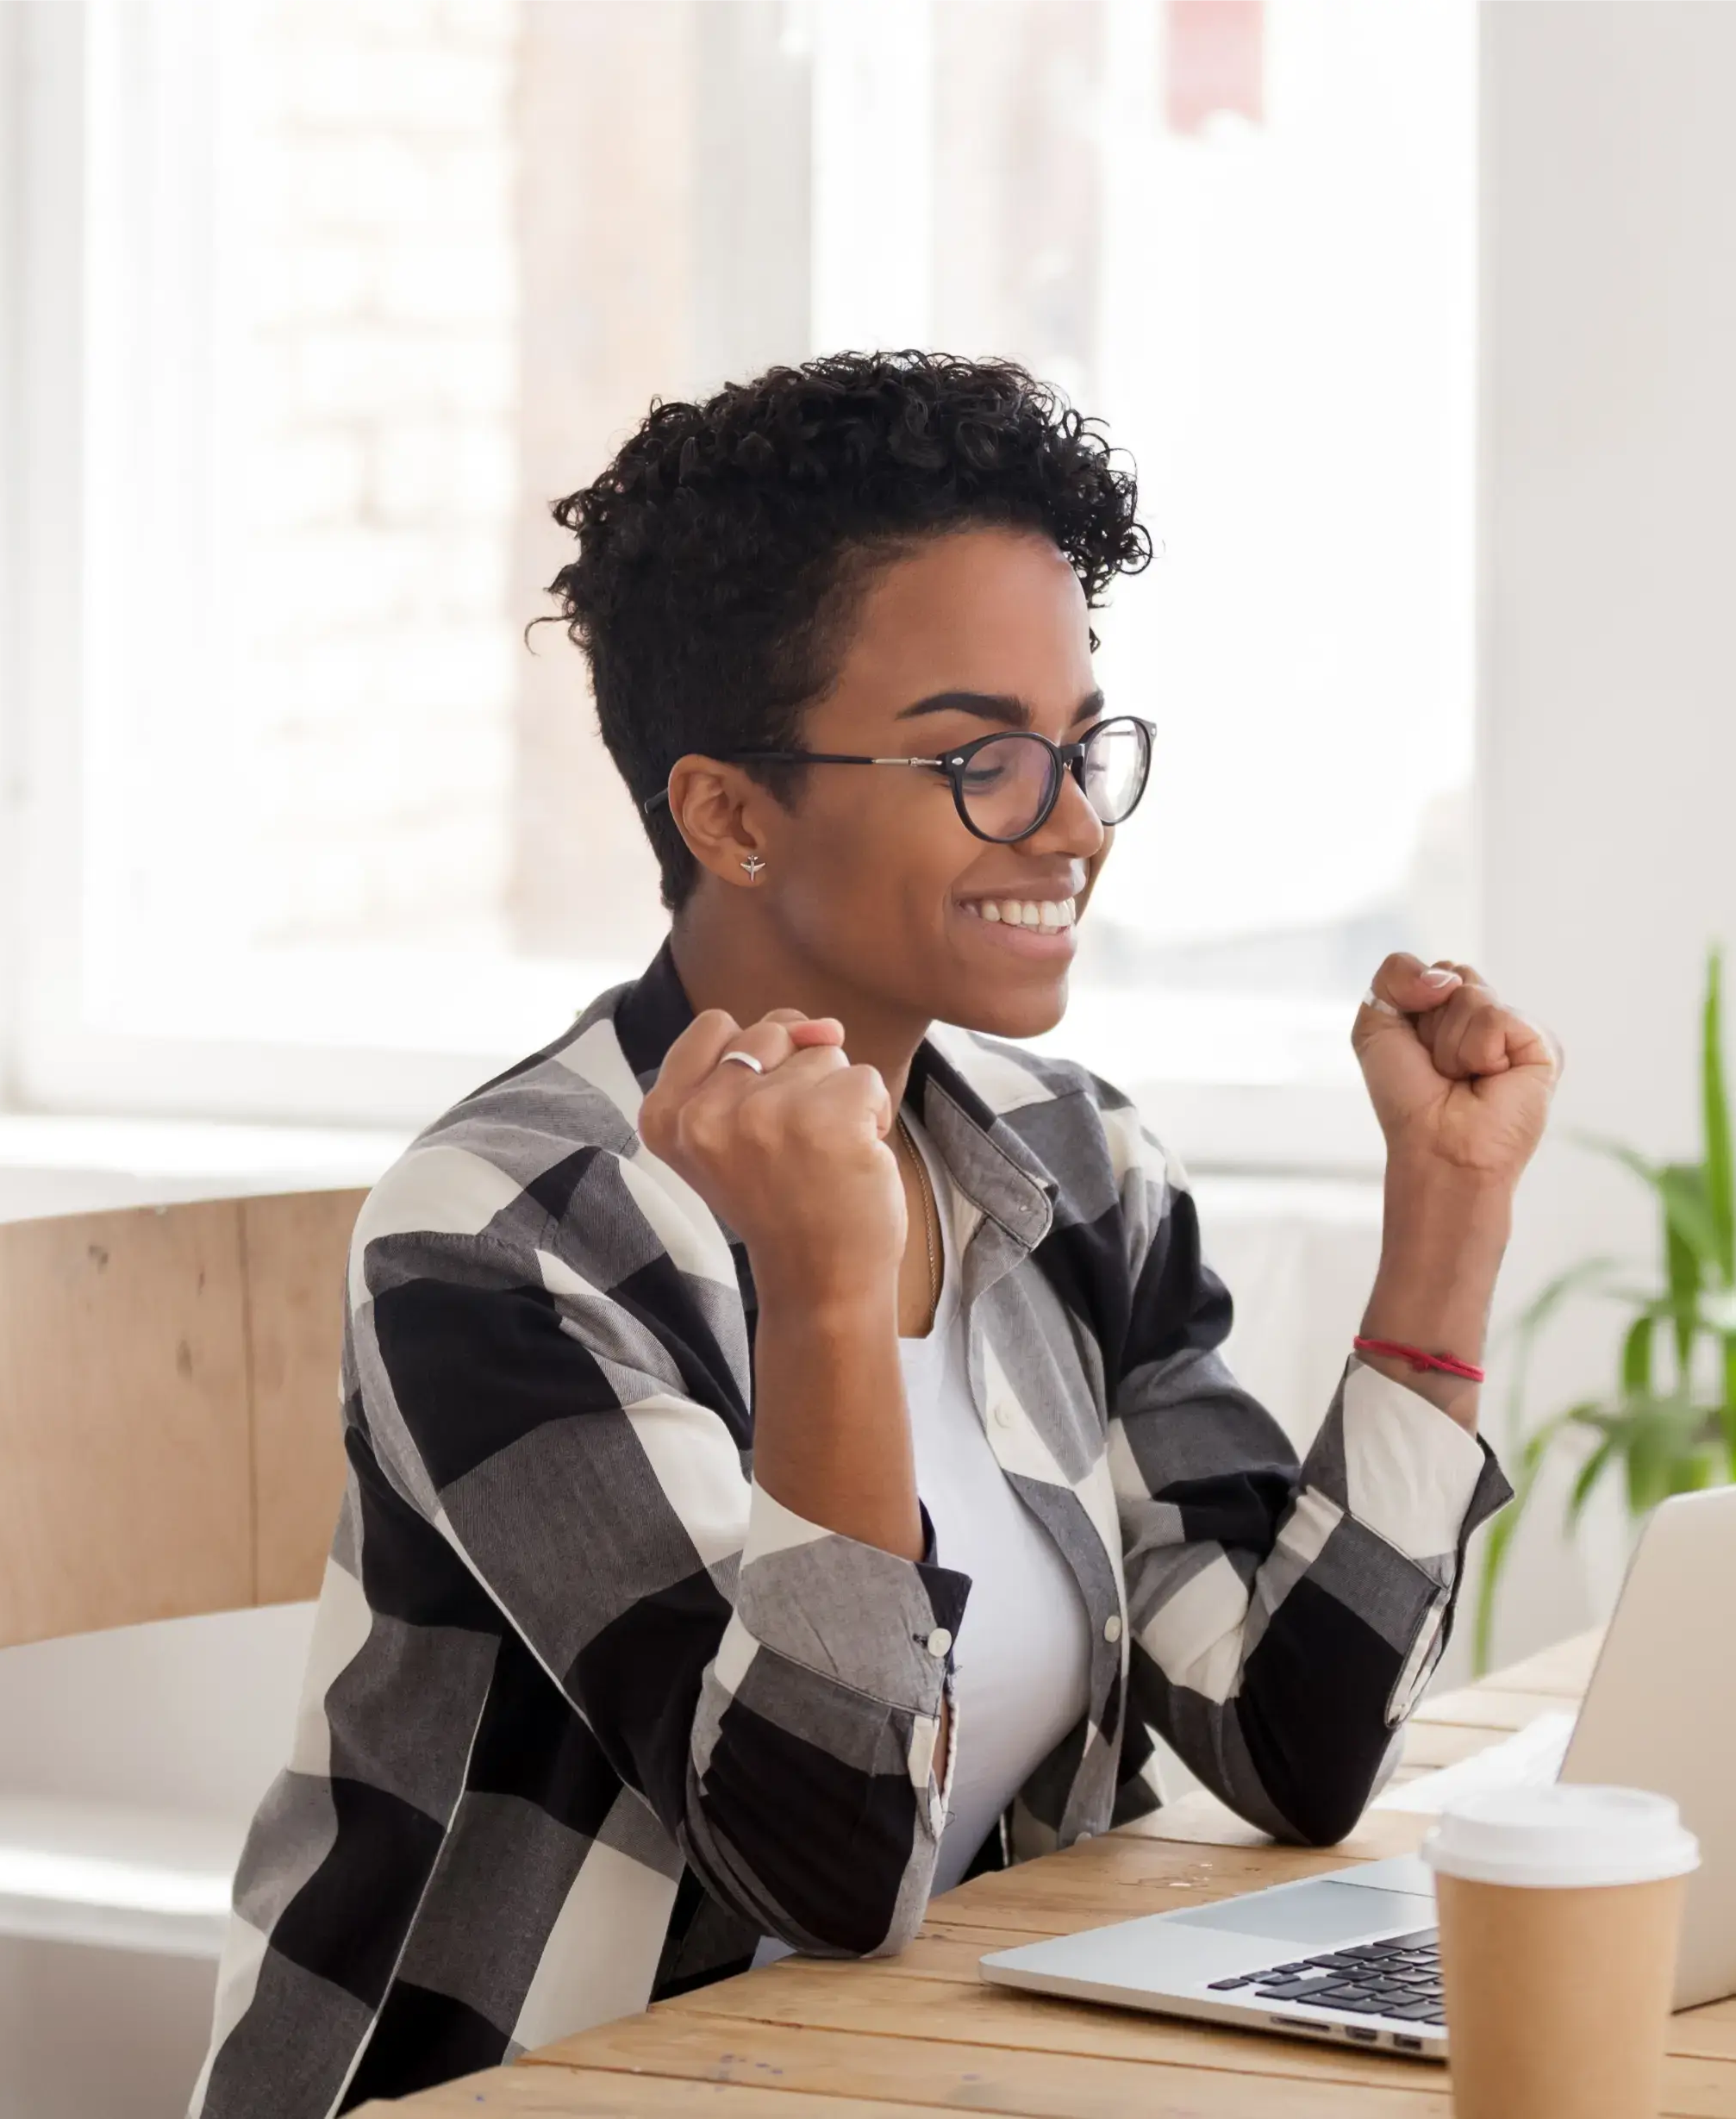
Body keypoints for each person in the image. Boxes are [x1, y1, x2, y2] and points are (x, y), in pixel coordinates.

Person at [191, 352, 1556, 2116]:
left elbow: (1292, 1737)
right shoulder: (508, 1234)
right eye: (980, 757)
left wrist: (1444, 1219)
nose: (1067, 822)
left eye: (1078, 745)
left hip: (896, 2076)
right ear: (730, 813)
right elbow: (818, 1854)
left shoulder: (1072, 1163)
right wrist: (826, 1291)